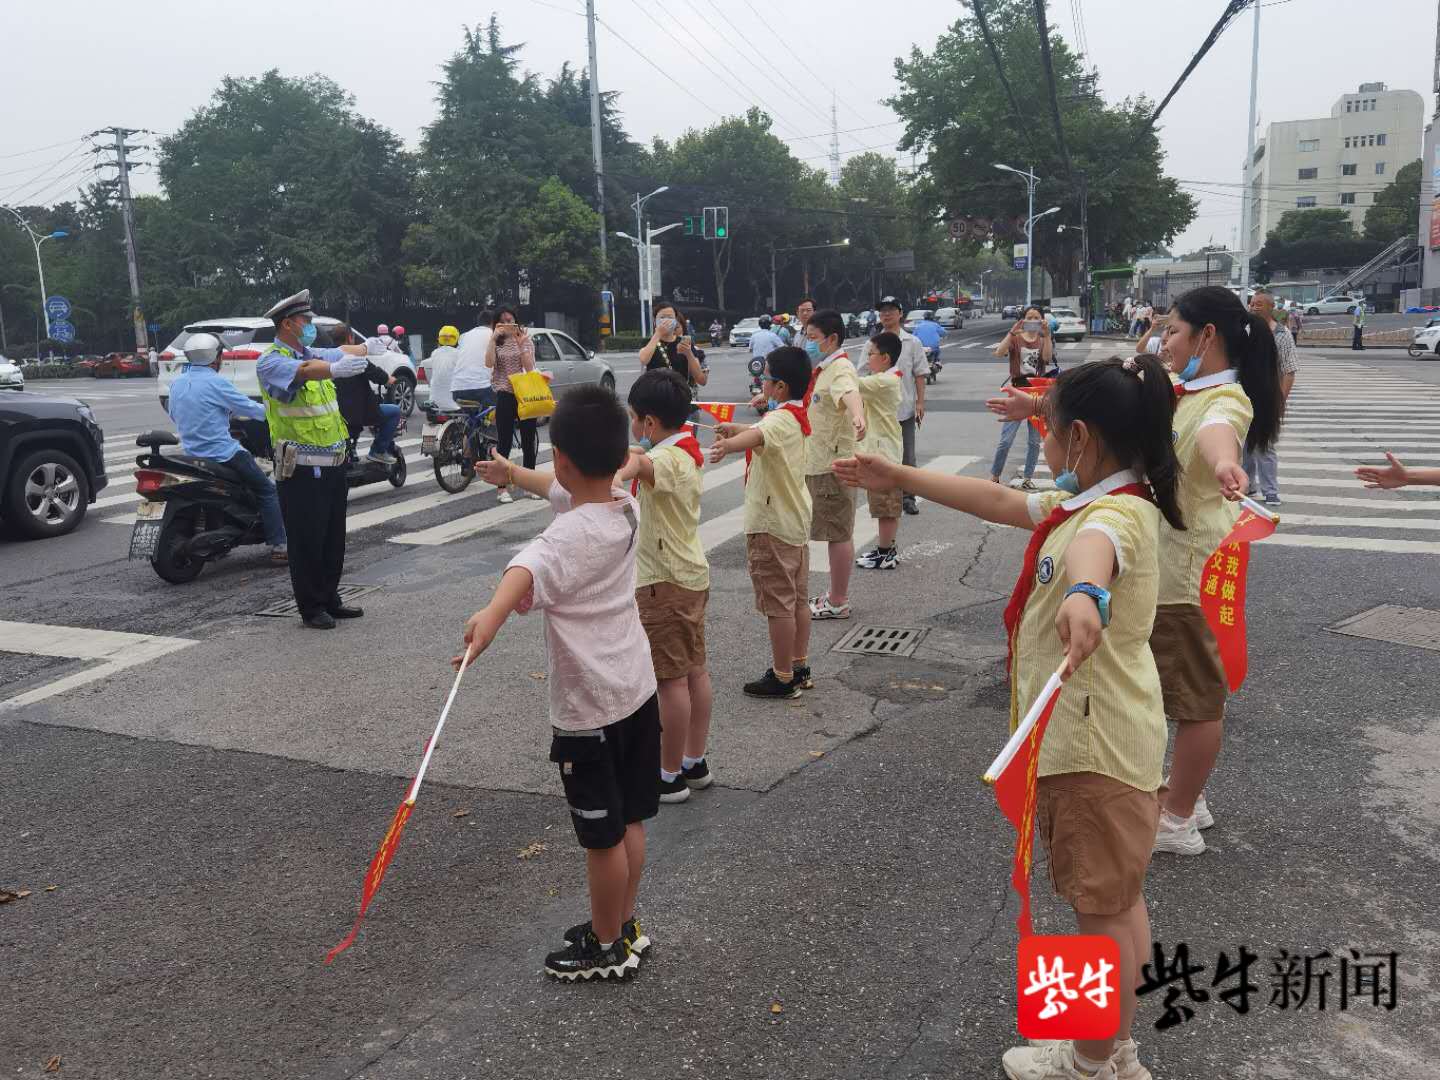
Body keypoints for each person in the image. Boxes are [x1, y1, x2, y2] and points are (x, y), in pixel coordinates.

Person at [838, 354, 1184, 1080]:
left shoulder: (1113, 514)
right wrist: (896, 475)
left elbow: (1098, 554)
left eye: (1049, 430)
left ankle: (1088, 1061)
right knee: (1114, 902)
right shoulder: (1084, 499)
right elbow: (996, 502)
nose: (1044, 443)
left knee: (1101, 909)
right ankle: (1109, 1045)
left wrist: (1086, 595)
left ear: (1082, 439)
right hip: (1102, 739)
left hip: (1093, 748)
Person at [466, 385, 659, 982]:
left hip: (590, 708)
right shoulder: (619, 502)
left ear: (567, 460)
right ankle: (622, 926)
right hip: (635, 690)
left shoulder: (569, 536)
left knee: (600, 838)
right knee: (628, 822)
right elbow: (565, 484)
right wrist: (511, 473)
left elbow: (529, 565)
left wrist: (489, 619)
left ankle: (604, 946)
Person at [617, 370, 714, 804]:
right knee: (695, 671)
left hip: (664, 583)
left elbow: (641, 462)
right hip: (690, 577)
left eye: (635, 419)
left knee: (670, 681)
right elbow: (639, 453)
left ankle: (668, 773)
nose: (635, 427)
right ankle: (694, 761)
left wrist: (622, 470)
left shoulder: (668, 461)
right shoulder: (685, 449)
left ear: (650, 422)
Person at [255, 289, 372, 630]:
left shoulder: (308, 349)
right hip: (301, 469)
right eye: (306, 321)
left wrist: (370, 348)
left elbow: (338, 350)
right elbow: (308, 369)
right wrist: (336, 368)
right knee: (307, 539)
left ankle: (330, 598)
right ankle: (311, 606)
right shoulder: (272, 359)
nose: (310, 326)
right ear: (288, 323)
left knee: (333, 537)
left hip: (333, 464)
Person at [709, 346, 813, 698]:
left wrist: (729, 445)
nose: (762, 383)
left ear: (779, 387)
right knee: (797, 601)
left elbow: (758, 436)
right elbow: (762, 431)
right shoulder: (794, 414)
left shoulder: (778, 420)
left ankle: (782, 676)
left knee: (778, 605)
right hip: (793, 521)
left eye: (765, 377)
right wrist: (736, 429)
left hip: (772, 525)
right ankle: (799, 667)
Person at [165, 332, 287, 565]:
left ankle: (220, 542)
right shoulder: (216, 381)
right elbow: (249, 408)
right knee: (267, 490)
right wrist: (278, 414)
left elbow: (174, 414)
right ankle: (280, 545)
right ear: (215, 358)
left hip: (191, 454)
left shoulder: (177, 383)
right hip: (223, 453)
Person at [803, 309, 866, 622]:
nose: (808, 343)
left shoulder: (841, 368)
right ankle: (834, 594)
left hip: (833, 465)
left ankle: (838, 600)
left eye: (813, 338)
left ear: (831, 339)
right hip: (821, 461)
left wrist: (858, 414)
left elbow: (850, 392)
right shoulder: (825, 368)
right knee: (835, 531)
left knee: (838, 533)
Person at [853, 332, 905, 570]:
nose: (867, 358)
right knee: (882, 503)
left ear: (885, 358)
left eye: (870, 354)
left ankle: (886, 552)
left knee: (886, 505)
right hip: (882, 448)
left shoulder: (884, 381)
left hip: (884, 452)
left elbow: (853, 384)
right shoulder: (884, 377)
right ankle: (886, 549)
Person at [990, 306, 1054, 489]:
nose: (1033, 320)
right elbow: (999, 352)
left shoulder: (1043, 339)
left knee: (1034, 441)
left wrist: (1048, 335)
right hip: (1017, 390)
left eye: (1037, 317)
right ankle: (995, 476)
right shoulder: (1016, 339)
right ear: (1023, 320)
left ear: (1042, 320)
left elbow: (1047, 358)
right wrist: (1011, 332)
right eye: (1029, 317)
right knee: (1006, 440)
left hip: (1037, 392)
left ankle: (1027, 477)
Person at [1244, 290, 1297, 506]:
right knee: (1245, 443)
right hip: (1244, 395)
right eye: (1252, 303)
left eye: (1259, 304)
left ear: (1270, 307)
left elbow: (1289, 370)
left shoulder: (1282, 335)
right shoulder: (1245, 332)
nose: (1254, 307)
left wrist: (1280, 401)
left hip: (1268, 396)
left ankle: (1270, 490)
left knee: (1264, 444)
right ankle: (1246, 485)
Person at [876, 297, 928, 516]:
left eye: (891, 311)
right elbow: (861, 372)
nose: (886, 315)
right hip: (879, 411)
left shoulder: (912, 342)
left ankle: (908, 497)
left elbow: (920, 374)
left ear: (900, 314)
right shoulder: (873, 343)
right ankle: (886, 496)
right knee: (882, 456)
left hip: (904, 409)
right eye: (883, 312)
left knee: (908, 456)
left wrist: (920, 403)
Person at [485, 307, 540, 504]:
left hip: (525, 394)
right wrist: (493, 339)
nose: (508, 323)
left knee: (528, 442)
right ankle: (502, 489)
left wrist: (522, 344)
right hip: (505, 393)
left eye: (511, 319)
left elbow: (529, 368)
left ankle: (529, 486)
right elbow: (489, 363)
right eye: (503, 320)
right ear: (497, 324)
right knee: (504, 442)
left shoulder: (525, 338)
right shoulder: (496, 341)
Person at [331, 323, 401, 465]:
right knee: (394, 412)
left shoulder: (327, 357)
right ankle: (378, 450)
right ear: (350, 338)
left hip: (334, 413)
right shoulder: (356, 357)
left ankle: (353, 449)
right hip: (358, 412)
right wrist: (389, 379)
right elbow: (376, 374)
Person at [639, 303, 708, 394]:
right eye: (662, 317)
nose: (666, 320)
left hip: (680, 397)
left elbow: (700, 380)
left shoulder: (684, 343)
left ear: (675, 321)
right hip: (655, 397)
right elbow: (644, 360)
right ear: (655, 321)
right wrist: (658, 334)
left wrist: (688, 353)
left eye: (670, 317)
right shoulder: (650, 342)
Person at [452, 310, 496, 409]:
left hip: (457, 390)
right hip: (481, 390)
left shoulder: (465, 336)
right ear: (493, 322)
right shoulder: (494, 335)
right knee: (503, 407)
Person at [424, 324, 461, 410]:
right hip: (455, 405)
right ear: (457, 339)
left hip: (434, 401)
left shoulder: (434, 353)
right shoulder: (459, 354)